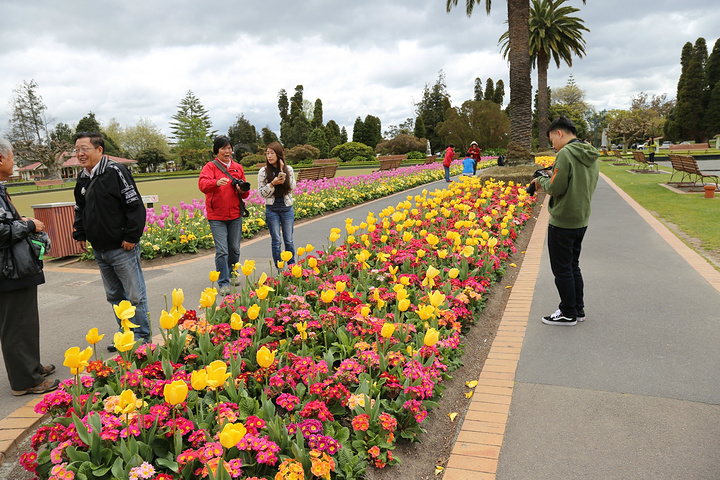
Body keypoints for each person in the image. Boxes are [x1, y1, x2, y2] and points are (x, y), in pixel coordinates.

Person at [72, 132, 151, 351]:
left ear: (99, 150)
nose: (80, 153)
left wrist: (131, 236)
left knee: (135, 295)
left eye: (84, 148)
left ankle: (143, 337)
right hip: (100, 249)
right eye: (77, 149)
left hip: (122, 248)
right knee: (114, 295)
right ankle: (126, 336)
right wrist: (79, 233)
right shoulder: (83, 176)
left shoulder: (116, 171)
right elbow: (80, 207)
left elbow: (134, 205)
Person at [0, 138, 59, 395]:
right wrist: (29, 226)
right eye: (12, 156)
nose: (15, 162)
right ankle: (26, 381)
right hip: (7, 270)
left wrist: (19, 219)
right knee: (16, 324)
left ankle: (30, 367)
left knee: (24, 322)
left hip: (13, 267)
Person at [530, 116, 599, 326]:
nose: (552, 144)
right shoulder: (589, 152)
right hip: (581, 218)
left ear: (560, 133)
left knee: (562, 269)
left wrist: (539, 180)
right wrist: (553, 175)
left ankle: (567, 312)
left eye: (552, 139)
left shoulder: (565, 154)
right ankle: (578, 309)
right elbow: (576, 180)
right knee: (572, 266)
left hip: (562, 221)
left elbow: (556, 188)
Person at [199, 136, 251, 295]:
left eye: (229, 148)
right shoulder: (210, 167)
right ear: (217, 151)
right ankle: (223, 282)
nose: (227, 151)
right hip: (217, 216)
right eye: (223, 148)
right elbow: (202, 184)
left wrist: (242, 190)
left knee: (234, 249)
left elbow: (245, 194)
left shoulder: (238, 167)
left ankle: (233, 272)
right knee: (222, 250)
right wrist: (215, 183)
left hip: (235, 214)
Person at [258, 142, 296, 268]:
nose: (269, 156)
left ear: (278, 154)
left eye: (272, 153)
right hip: (272, 210)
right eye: (267, 153)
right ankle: (280, 268)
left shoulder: (289, 169)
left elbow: (291, 188)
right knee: (276, 241)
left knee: (289, 241)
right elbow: (262, 193)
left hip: (286, 209)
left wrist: (281, 171)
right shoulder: (263, 171)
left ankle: (291, 267)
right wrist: (272, 184)